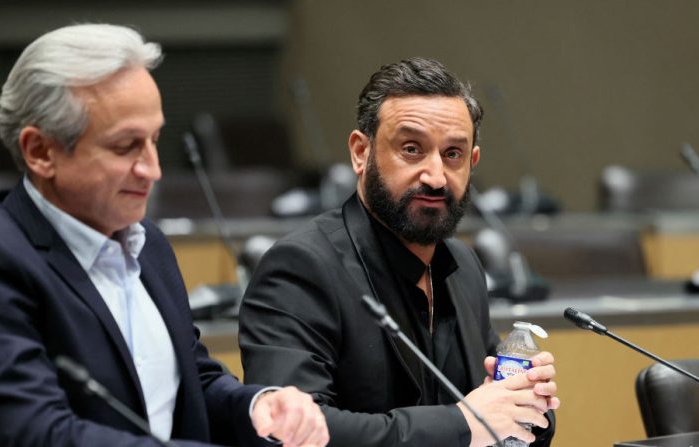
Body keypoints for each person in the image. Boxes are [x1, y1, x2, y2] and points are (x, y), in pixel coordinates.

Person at [0, 23, 329, 447]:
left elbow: (192, 382)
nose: (152, 169)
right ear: (41, 152)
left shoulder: (148, 244)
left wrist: (258, 408)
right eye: (126, 147)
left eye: (155, 140)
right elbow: (34, 433)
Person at [239, 57, 559, 447]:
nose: (436, 176)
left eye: (453, 154)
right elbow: (288, 431)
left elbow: (495, 418)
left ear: (472, 163)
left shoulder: (464, 266)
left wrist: (528, 406)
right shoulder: (300, 267)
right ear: (361, 152)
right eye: (411, 149)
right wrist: (464, 424)